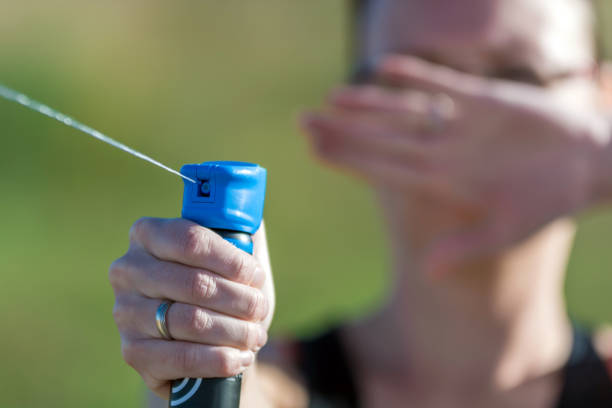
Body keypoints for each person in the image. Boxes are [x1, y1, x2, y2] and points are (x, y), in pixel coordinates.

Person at [109, 0, 612, 406]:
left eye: (518, 79)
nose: (466, 122)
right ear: (353, 104)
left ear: (602, 100)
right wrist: (210, 356)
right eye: (416, 82)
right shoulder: (284, 390)